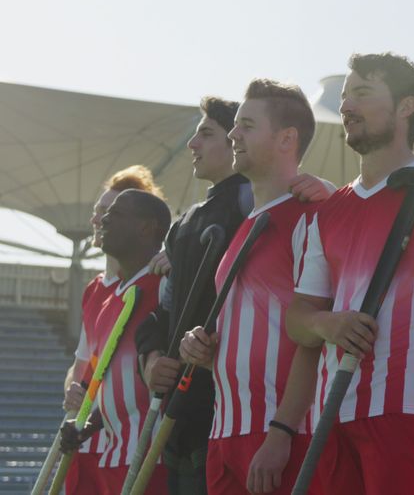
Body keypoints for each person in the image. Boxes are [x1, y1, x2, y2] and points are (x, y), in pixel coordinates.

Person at [286, 52, 414, 494]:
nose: (346, 106)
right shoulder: (329, 211)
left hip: (411, 408)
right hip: (331, 414)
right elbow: (299, 317)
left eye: (362, 93)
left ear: (405, 107)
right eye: (344, 96)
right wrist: (327, 323)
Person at [179, 79, 323, 495]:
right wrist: (204, 349)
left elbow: (313, 338)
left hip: (282, 437)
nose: (232, 135)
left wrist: (281, 431)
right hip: (225, 434)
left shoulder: (312, 218)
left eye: (246, 125)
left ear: (286, 139)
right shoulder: (243, 227)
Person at [134, 96, 252, 495]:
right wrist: (151, 361)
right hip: (177, 421)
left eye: (206, 133)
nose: (192, 144)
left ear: (237, 140)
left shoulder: (252, 202)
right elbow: (161, 316)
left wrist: (315, 187)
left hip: (228, 418)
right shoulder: (184, 222)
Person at [61, 188, 172, 493]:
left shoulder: (167, 283)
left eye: (115, 214)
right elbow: (99, 375)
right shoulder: (111, 295)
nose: (102, 220)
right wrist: (88, 423)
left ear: (146, 227)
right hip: (110, 451)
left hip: (150, 455)